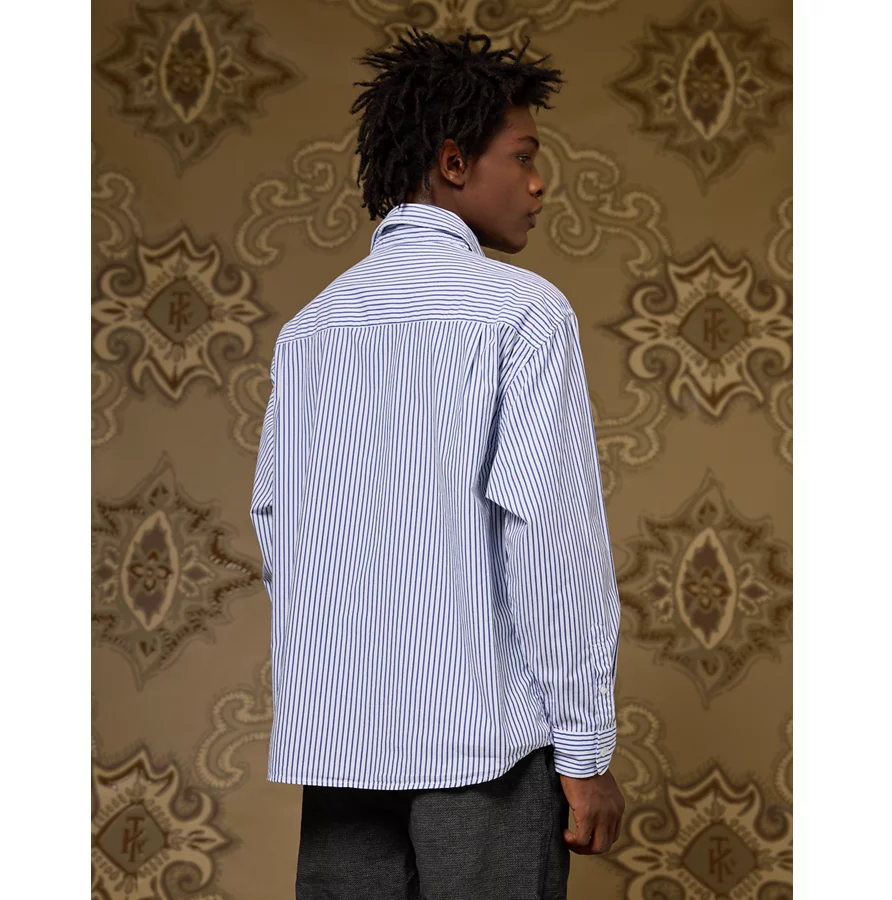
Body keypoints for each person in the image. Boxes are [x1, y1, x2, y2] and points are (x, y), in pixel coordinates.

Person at [250, 26, 625, 899]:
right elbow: (548, 539)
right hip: (485, 751)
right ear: (453, 163)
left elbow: (276, 530)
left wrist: (350, 654)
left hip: (338, 749)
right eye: (524, 156)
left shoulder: (312, 328)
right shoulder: (521, 313)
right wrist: (584, 751)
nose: (539, 182)